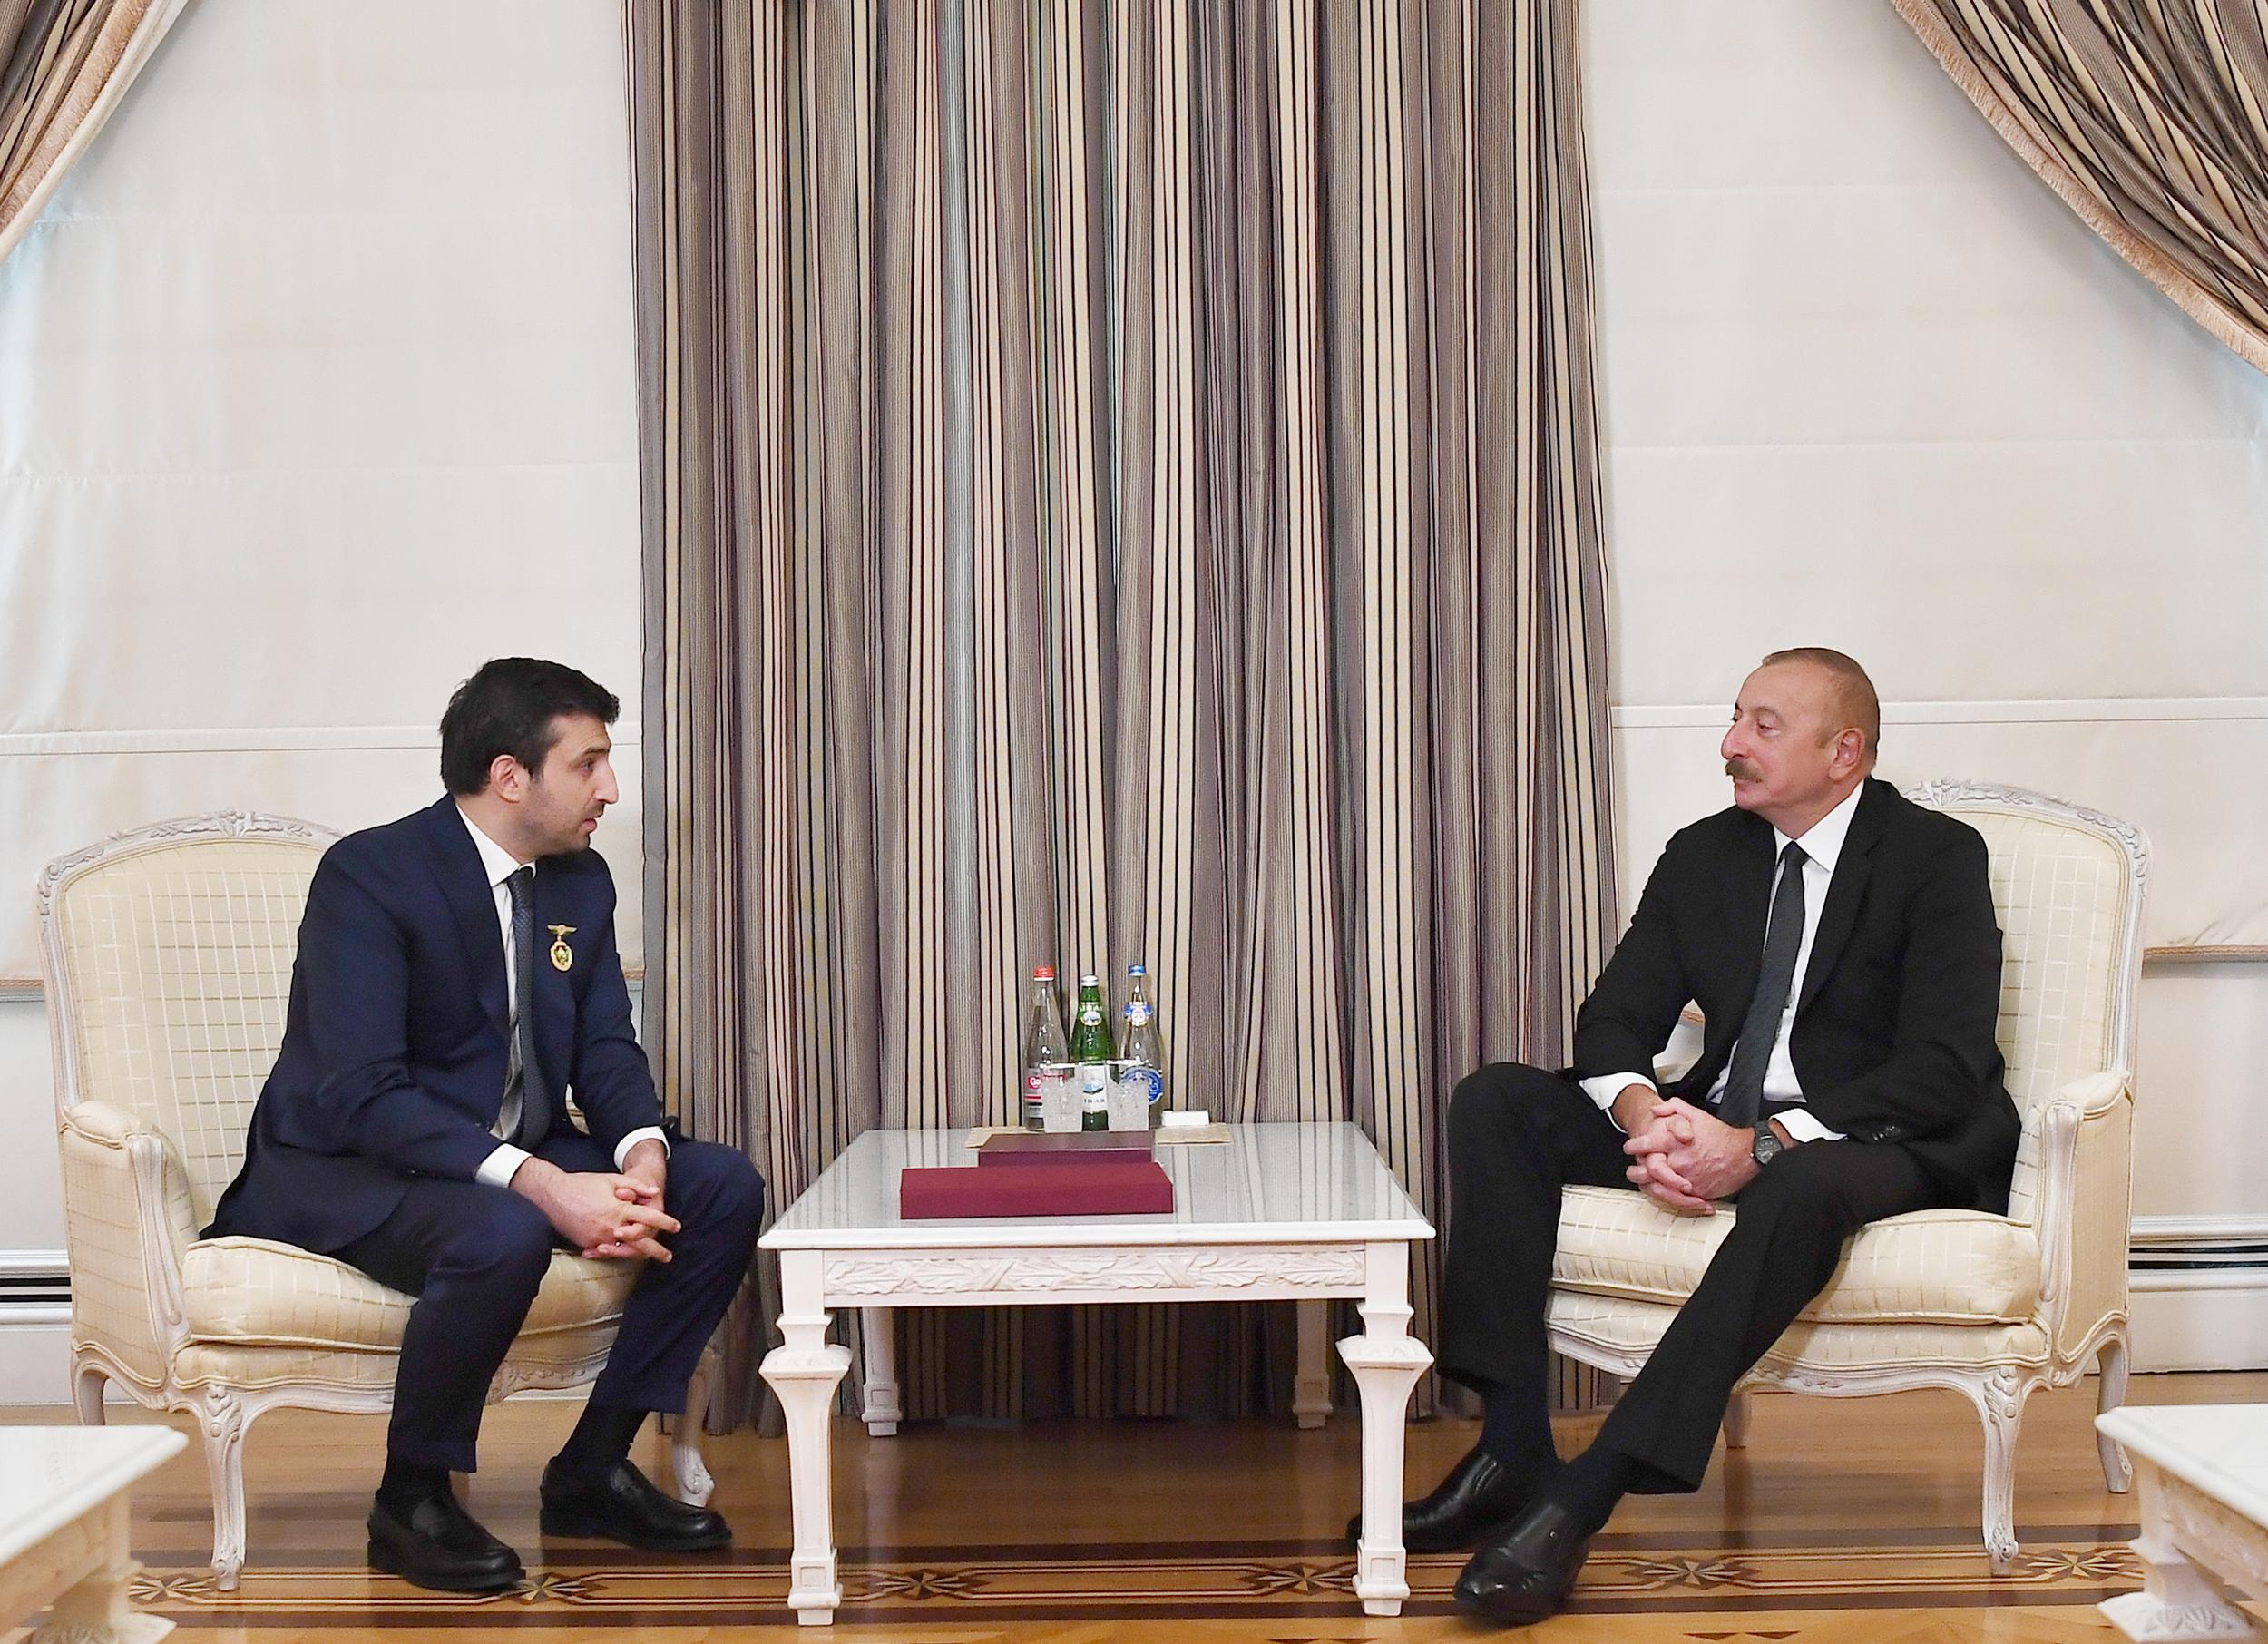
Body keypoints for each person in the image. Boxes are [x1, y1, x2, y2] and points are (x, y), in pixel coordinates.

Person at [1386, 647, 2015, 1628]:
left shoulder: (1934, 857)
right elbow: (1611, 1020)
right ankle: (1510, 1447)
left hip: (1878, 1134)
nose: (1730, 745)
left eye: (1763, 726)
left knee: (1799, 1184)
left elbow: (1945, 1064)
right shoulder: (1705, 854)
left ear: (1843, 752)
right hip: (1715, 1113)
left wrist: (1758, 1146)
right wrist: (1651, 1121)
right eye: (1734, 719)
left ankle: (1582, 1496)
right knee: (1497, 1099)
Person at [206, 657, 764, 1593]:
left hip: (506, 1145)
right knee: (504, 1225)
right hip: (351, 1162)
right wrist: (545, 1184)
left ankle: (591, 1469)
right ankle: (410, 1498)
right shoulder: (371, 876)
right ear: (510, 775)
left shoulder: (578, 882)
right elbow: (361, 1092)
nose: (610, 788)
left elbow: (604, 1047)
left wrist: (643, 1157)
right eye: (587, 764)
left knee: (721, 1187)